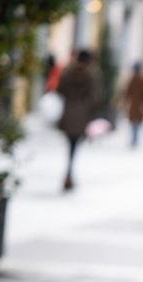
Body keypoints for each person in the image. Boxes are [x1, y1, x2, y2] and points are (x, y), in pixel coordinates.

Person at [56, 49, 103, 191]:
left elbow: (59, 89)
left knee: (70, 145)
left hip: (68, 113)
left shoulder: (67, 71)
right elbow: (96, 97)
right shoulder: (92, 74)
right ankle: (69, 175)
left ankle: (68, 174)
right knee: (74, 146)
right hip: (82, 115)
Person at [119, 62, 143, 148]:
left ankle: (134, 140)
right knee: (137, 123)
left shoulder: (134, 79)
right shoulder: (142, 79)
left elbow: (127, 93)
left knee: (134, 122)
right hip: (140, 105)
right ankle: (135, 140)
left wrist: (124, 102)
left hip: (135, 105)